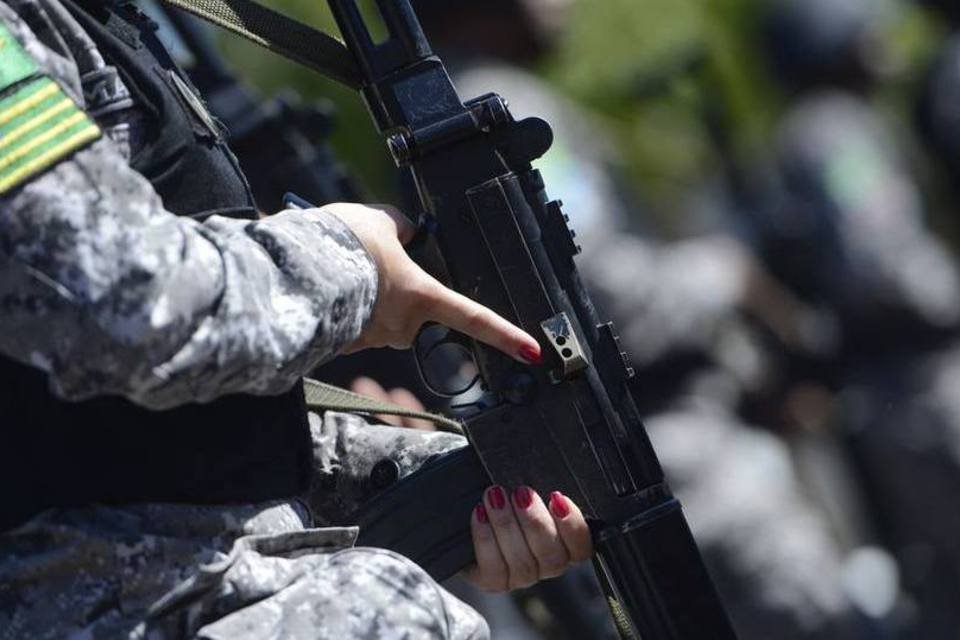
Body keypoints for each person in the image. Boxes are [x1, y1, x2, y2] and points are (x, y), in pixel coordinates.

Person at [0, 0, 594, 637]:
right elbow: (116, 308)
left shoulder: (107, 24)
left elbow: (136, 426)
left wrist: (451, 481)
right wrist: (352, 263)